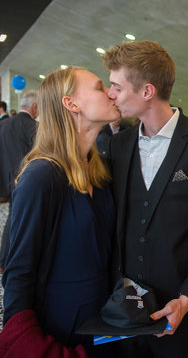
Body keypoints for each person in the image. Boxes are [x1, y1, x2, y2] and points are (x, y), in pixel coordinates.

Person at [102, 40, 188, 358]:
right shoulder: (117, 147)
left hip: (181, 311)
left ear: (147, 91)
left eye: (117, 86)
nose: (110, 93)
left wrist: (187, 299)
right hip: (123, 310)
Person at [1, 66, 120, 357]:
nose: (110, 92)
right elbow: (18, 273)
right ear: (71, 103)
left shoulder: (99, 171)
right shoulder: (42, 175)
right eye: (98, 86)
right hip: (60, 332)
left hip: (102, 325)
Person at [0, 91, 38, 273]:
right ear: (35, 107)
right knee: (19, 221)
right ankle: (9, 261)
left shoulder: (4, 124)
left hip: (7, 178)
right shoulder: (32, 126)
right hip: (25, 180)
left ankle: (3, 260)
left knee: (13, 219)